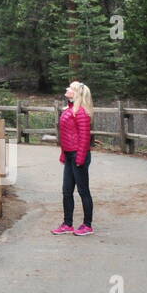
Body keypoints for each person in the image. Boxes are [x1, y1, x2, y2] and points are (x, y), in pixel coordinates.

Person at [51, 80, 94, 235]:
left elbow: (84, 138)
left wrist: (80, 158)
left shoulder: (81, 112)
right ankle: (67, 224)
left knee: (83, 191)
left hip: (79, 155)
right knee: (66, 191)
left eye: (70, 88)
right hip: (70, 155)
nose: (67, 89)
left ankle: (87, 225)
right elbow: (65, 136)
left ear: (77, 93)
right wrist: (64, 154)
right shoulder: (68, 110)